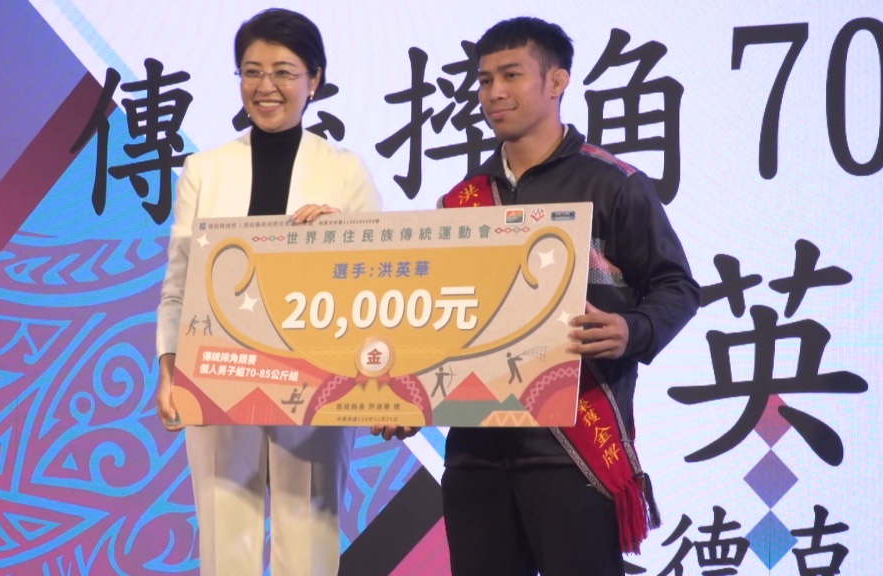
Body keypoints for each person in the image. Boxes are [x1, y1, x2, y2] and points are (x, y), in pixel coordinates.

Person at [374, 16, 699, 576]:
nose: (493, 93)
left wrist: (632, 330)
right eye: (484, 80)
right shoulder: (460, 202)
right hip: (475, 454)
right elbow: (439, 321)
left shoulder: (614, 184)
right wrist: (408, 396)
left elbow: (677, 286)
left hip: (573, 450)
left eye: (511, 75)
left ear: (556, 81)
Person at [155, 8, 381, 576]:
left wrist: (342, 236)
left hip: (319, 378)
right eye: (251, 72)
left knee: (308, 543)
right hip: (217, 370)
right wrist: (168, 369)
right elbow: (179, 283)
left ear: (315, 79)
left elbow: (378, 279)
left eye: (283, 72)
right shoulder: (206, 169)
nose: (265, 87)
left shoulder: (345, 171)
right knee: (224, 541)